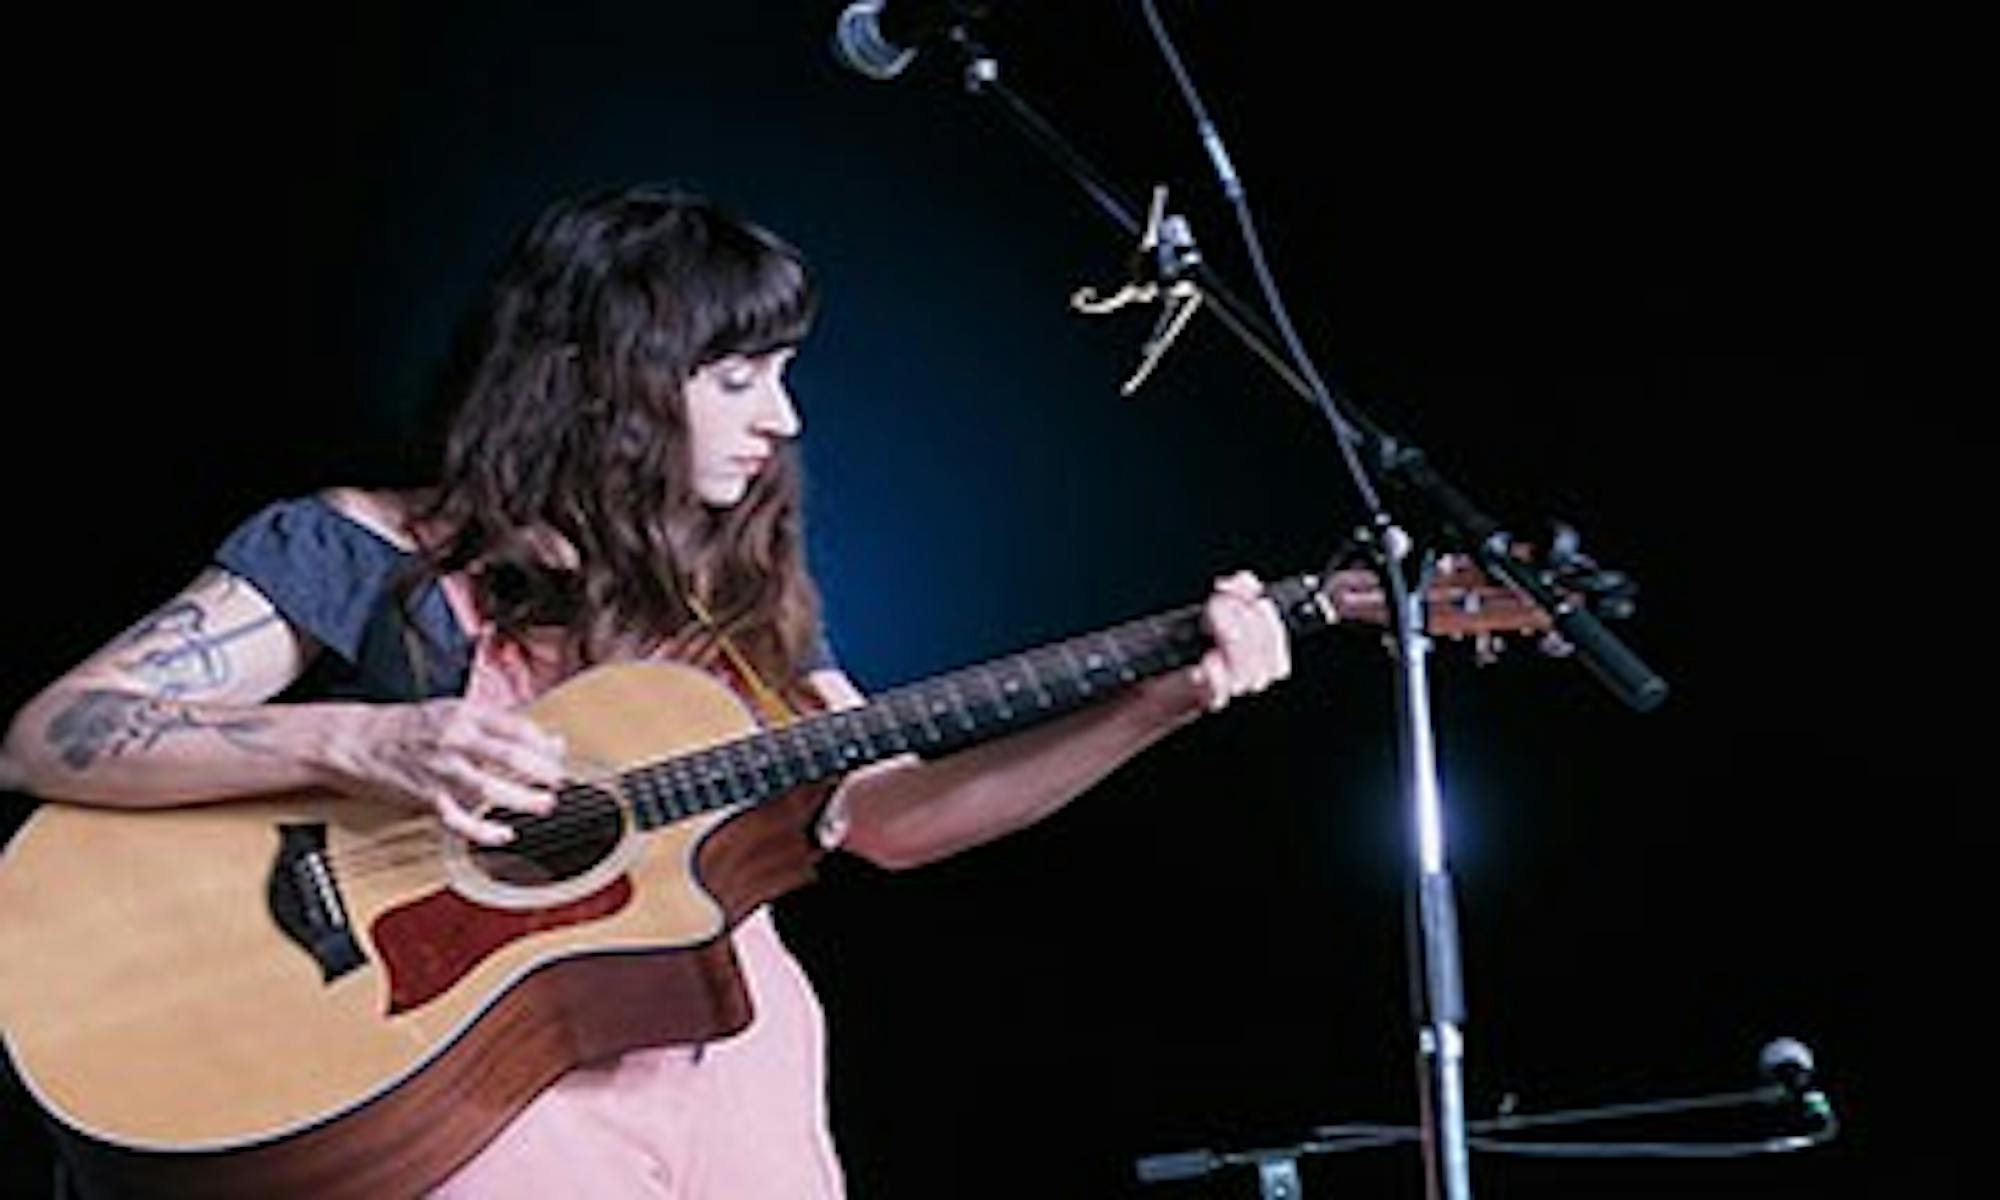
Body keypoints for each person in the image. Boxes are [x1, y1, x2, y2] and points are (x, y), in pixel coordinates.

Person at [0, 184, 1293, 1198]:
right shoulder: (360, 549)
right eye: (737, 377)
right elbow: (51, 735)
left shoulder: (724, 624)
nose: (781, 418)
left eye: (784, 374)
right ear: (603, 385)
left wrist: (1158, 700)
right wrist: (369, 740)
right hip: (474, 1117)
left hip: (731, 1112)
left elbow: (886, 815)